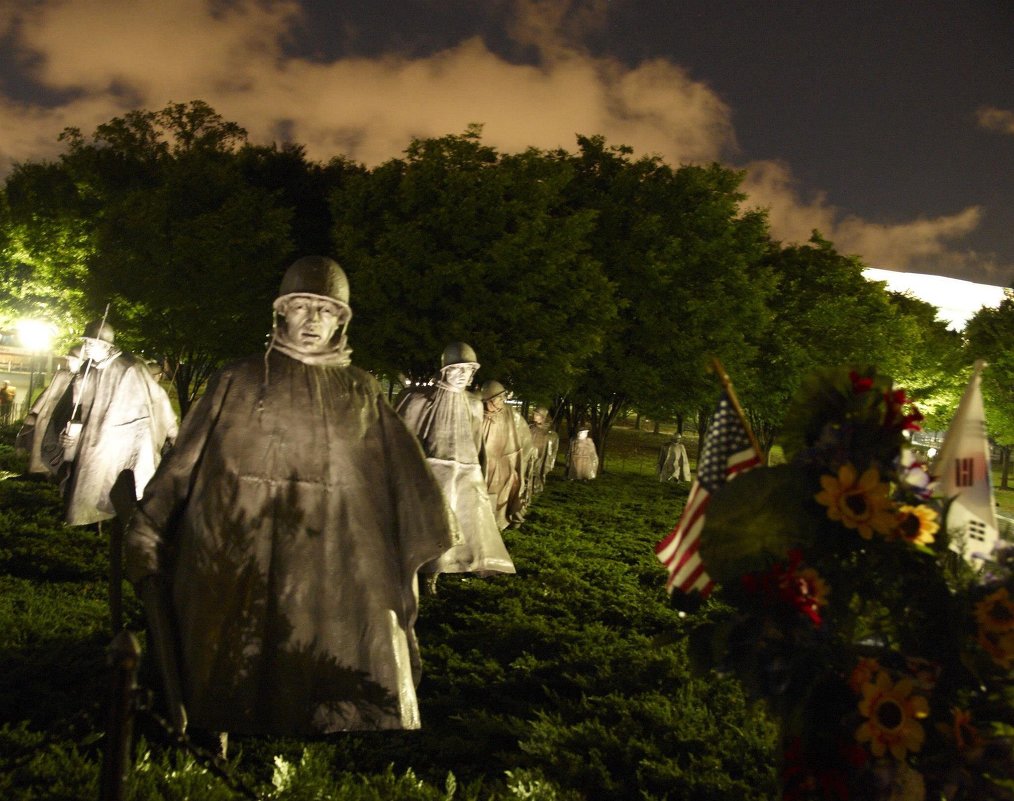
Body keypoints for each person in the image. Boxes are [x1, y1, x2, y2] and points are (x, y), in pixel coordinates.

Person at [125, 256, 455, 737]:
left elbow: (406, 479)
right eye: (302, 307)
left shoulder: (363, 392)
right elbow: (182, 465)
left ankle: (330, 709)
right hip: (236, 550)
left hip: (331, 558)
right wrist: (148, 525)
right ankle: (219, 712)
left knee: (321, 642)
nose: (313, 320)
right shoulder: (235, 381)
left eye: (326, 310)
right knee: (230, 647)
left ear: (341, 319)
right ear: (282, 313)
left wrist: (427, 540)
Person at [396, 342, 514, 586]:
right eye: (457, 369)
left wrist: (477, 468)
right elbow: (404, 435)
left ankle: (444, 566)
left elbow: (474, 439)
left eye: (468, 370)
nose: (463, 375)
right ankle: (422, 566)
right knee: (430, 521)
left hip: (464, 470)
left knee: (463, 522)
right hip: (431, 471)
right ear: (444, 370)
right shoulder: (420, 400)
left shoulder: (472, 403)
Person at [42, 320, 178, 526]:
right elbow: (76, 408)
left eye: (92, 342)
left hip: (123, 440)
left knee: (119, 488)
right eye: (85, 341)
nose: (86, 346)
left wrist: (171, 431)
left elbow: (156, 400)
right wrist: (69, 433)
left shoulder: (130, 367)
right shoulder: (88, 369)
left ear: (106, 345)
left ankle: (123, 522)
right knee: (89, 485)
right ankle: (92, 523)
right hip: (91, 440)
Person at [16, 346, 83, 475]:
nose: (69, 363)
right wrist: (34, 413)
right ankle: (38, 474)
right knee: (40, 450)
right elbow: (46, 395)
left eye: (73, 360)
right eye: (69, 359)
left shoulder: (86, 381)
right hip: (48, 418)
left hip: (66, 424)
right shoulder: (61, 375)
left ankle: (51, 476)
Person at [479, 380, 526, 530]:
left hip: (503, 463)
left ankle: (498, 522)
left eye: (503, 397)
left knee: (502, 493)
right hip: (481, 463)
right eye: (499, 398)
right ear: (489, 398)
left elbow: (523, 437)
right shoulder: (477, 413)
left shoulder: (509, 414)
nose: (502, 401)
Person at [528, 406, 559, 495]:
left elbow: (553, 450)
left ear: (543, 417)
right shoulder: (530, 428)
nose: (534, 416)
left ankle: (536, 488)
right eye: (534, 414)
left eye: (537, 415)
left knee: (538, 473)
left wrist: (550, 462)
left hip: (541, 457)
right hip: (529, 455)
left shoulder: (550, 434)